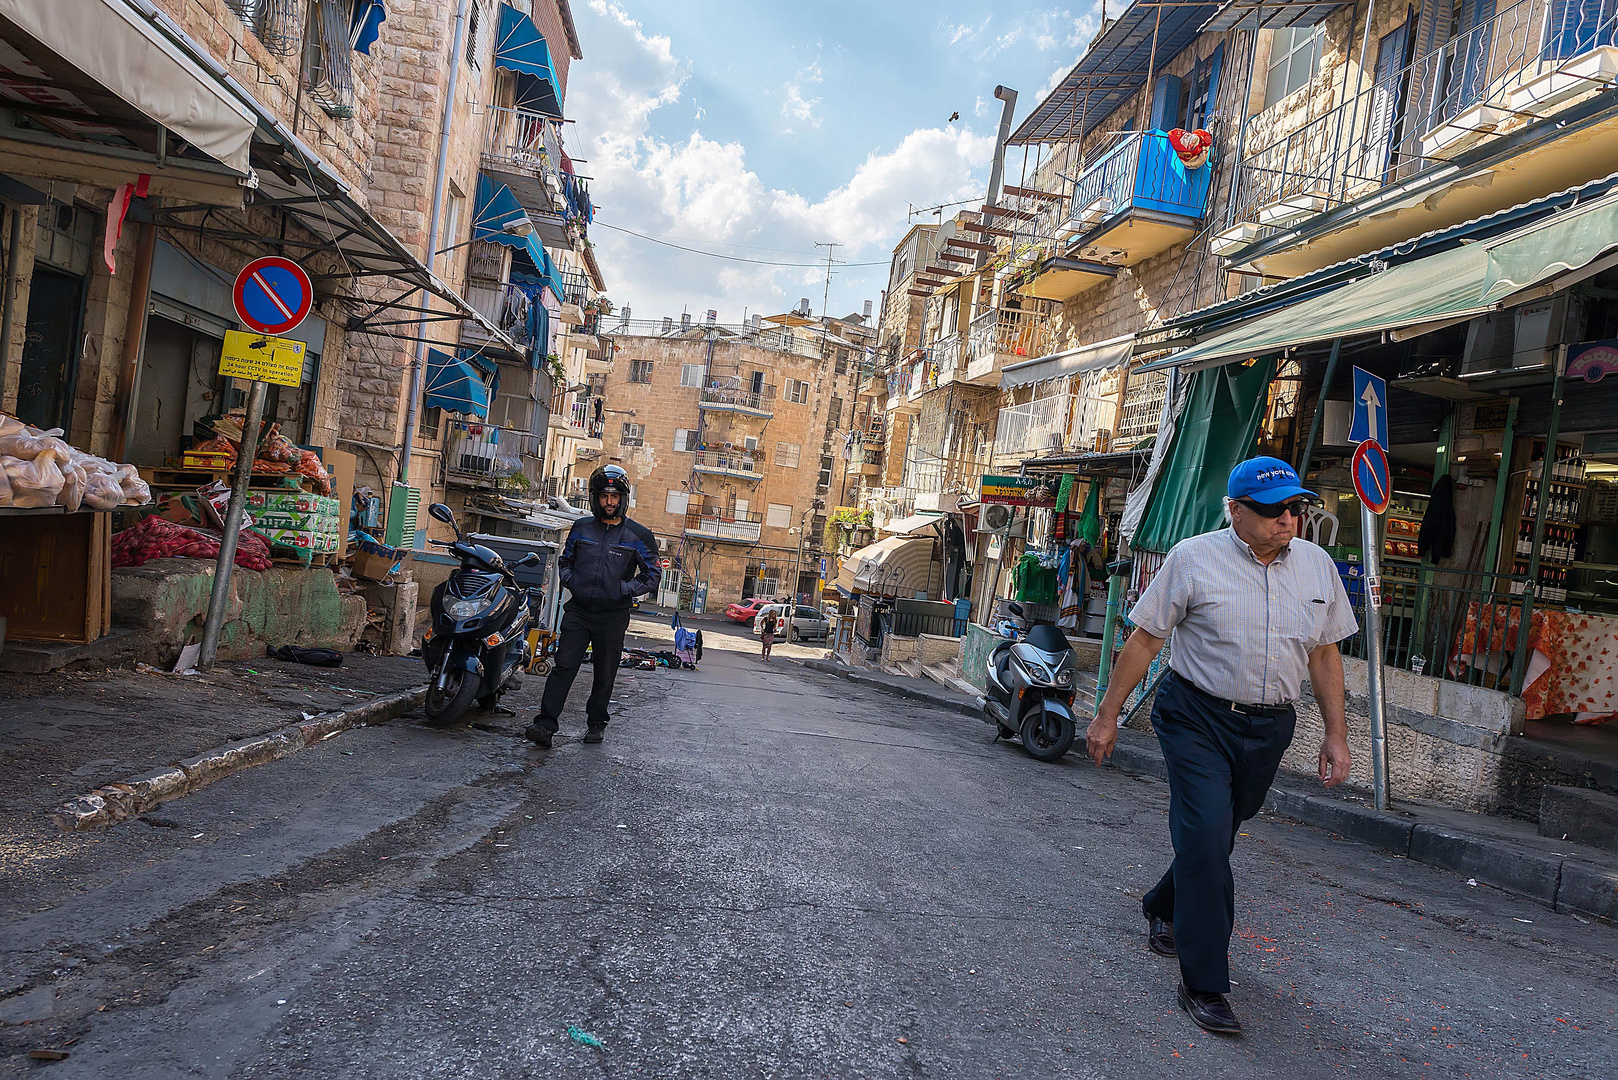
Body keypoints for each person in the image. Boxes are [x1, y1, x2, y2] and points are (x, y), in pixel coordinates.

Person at [1085, 456, 1358, 1036]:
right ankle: (1205, 982)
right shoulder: (1192, 559)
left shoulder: (1316, 567)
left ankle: (1163, 904)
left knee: (1216, 837)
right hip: (1196, 717)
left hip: (1269, 728)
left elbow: (1325, 653)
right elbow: (1144, 639)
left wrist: (1336, 733)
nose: (1288, 520)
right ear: (1235, 510)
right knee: (1207, 838)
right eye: (1272, 510)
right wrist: (1107, 715)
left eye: (1295, 508)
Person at [526, 465, 660, 747]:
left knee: (604, 672)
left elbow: (652, 575)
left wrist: (625, 591)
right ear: (594, 498)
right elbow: (565, 561)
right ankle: (545, 725)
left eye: (614, 496)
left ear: (623, 498)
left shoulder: (639, 535)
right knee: (564, 666)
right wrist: (571, 581)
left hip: (612, 616)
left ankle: (596, 723)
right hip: (579, 611)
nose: (609, 502)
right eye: (603, 496)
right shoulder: (581, 527)